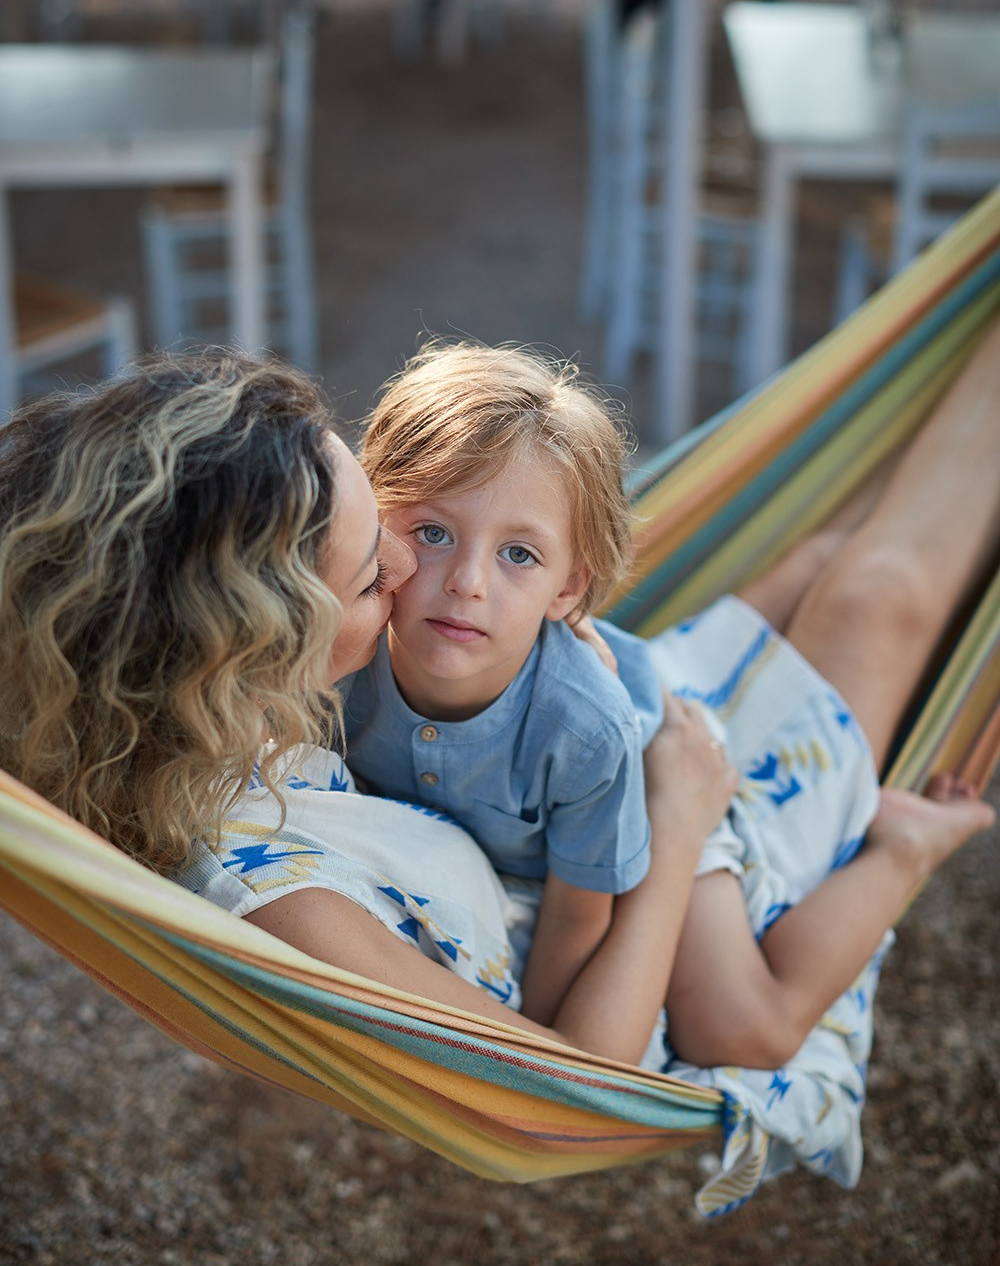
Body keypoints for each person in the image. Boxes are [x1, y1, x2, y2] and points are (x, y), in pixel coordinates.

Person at [0, 343, 994, 1204]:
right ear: (257, 648)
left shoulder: (198, 720)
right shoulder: (282, 899)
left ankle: (926, 378)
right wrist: (681, 819)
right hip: (671, 809)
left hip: (633, 758)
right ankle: (906, 841)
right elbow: (574, 1085)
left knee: (834, 570)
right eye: (374, 572)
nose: (422, 578)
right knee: (873, 599)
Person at [344, 340, 998, 1068]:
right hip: (642, 690)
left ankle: (907, 843)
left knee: (741, 1031)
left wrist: (542, 1046)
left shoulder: (586, 731)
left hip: (671, 773)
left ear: (568, 589)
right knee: (845, 581)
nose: (467, 581)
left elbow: (578, 913)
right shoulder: (337, 655)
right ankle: (821, 553)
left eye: (518, 554)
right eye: (433, 533)